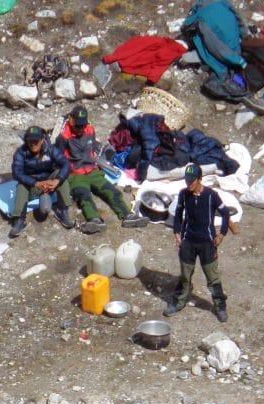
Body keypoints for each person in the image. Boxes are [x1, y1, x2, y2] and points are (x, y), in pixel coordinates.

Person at [55, 104, 148, 234]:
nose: (81, 129)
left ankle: (128, 216)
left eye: (83, 125)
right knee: (83, 195)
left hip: (92, 170)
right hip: (75, 174)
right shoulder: (64, 137)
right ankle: (95, 220)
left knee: (111, 191)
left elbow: (92, 148)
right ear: (71, 121)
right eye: (78, 126)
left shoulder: (90, 130)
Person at [164, 163, 231, 322]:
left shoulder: (211, 195)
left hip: (207, 243)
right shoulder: (183, 194)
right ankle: (179, 302)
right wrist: (177, 232)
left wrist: (222, 234)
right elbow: (179, 213)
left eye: (192, 181)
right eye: (187, 180)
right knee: (185, 275)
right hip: (188, 242)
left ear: (200, 179)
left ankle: (220, 306)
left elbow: (226, 213)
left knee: (212, 277)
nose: (189, 184)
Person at [8, 125, 74, 238]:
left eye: (36, 141)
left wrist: (57, 181)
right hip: (32, 186)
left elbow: (66, 164)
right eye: (30, 141)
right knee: (21, 185)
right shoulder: (20, 153)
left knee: (61, 175)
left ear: (42, 140)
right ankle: (20, 219)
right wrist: (35, 183)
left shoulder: (51, 149)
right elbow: (17, 173)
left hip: (50, 183)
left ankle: (63, 211)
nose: (33, 144)